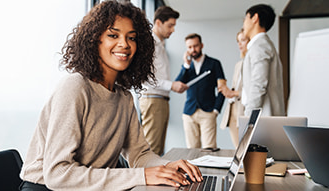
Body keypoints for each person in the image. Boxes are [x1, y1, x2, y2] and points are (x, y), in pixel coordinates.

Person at [19, 1, 202, 190]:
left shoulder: (124, 97)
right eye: (113, 35)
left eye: (131, 38)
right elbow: (58, 174)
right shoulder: (75, 87)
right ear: (94, 39)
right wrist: (141, 176)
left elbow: (139, 154)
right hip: (45, 187)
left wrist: (165, 167)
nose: (124, 44)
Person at [139, 6, 188, 156]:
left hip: (160, 100)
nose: (173, 30)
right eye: (170, 25)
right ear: (158, 23)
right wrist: (171, 85)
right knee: (151, 151)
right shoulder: (150, 44)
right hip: (153, 99)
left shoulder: (160, 45)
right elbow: (145, 78)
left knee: (158, 150)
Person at [175, 33, 225, 149]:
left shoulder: (214, 63)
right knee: (192, 150)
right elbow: (177, 85)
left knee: (209, 149)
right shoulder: (187, 67)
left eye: (196, 46)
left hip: (208, 112)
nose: (193, 49)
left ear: (201, 45)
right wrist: (186, 66)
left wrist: (216, 110)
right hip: (189, 113)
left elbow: (222, 88)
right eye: (189, 47)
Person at [241, 4, 285, 116]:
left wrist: (249, 115)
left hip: (263, 117)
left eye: (245, 19)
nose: (243, 24)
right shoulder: (262, 45)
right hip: (264, 116)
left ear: (255, 18)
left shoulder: (260, 46)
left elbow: (259, 84)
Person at [219, 29, 250, 148]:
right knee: (238, 149)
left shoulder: (253, 63)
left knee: (245, 148)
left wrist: (234, 93)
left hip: (244, 109)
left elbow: (253, 90)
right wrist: (226, 91)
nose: (240, 44)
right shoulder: (239, 64)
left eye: (243, 40)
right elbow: (234, 88)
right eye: (238, 41)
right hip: (232, 110)